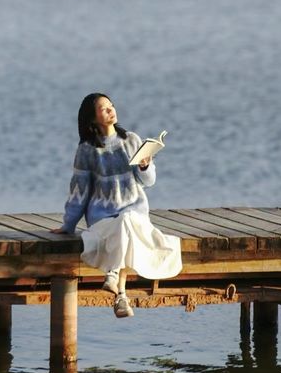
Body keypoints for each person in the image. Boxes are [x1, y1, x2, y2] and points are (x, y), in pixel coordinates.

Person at [51, 93, 182, 318]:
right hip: (104, 217)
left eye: (111, 105)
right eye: (104, 108)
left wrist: (145, 166)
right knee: (124, 223)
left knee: (127, 220)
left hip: (134, 212)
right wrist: (68, 224)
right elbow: (79, 191)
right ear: (92, 119)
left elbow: (148, 182)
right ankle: (120, 293)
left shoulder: (131, 140)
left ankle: (115, 284)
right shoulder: (87, 150)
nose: (111, 110)